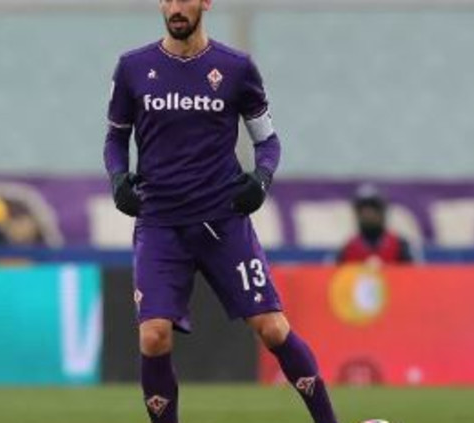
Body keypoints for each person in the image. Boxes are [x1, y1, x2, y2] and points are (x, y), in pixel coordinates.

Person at [103, 1, 338, 422]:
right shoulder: (133, 68)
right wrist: (118, 179)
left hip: (222, 221)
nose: (175, 8)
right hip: (160, 224)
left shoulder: (236, 68)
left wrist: (261, 179)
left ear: (206, 2)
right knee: (153, 336)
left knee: (272, 328)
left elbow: (268, 141)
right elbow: (115, 139)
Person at [337, 184, 414, 264]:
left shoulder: (399, 245)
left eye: (373, 208)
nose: (368, 214)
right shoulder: (348, 248)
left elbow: (411, 270)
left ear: (382, 211)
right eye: (363, 209)